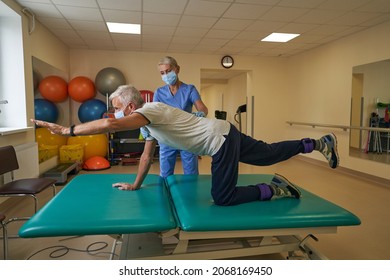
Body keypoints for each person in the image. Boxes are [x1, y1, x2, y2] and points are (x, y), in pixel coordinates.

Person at [31, 85, 339, 206]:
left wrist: (68, 129)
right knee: (269, 154)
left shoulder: (149, 110)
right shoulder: (147, 126)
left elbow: (111, 124)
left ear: (129, 104)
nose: (114, 112)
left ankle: (274, 191)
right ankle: (317, 143)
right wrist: (136, 185)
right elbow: (146, 157)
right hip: (223, 132)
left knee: (223, 197)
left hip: (218, 141)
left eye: (116, 106)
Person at [154, 56, 208, 178]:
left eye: (168, 71)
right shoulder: (159, 92)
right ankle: (165, 196)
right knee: (165, 174)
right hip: (167, 136)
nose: (166, 75)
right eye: (162, 73)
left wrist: (201, 113)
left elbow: (202, 108)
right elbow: (154, 112)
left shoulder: (189, 89)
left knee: (191, 173)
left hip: (186, 136)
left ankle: (192, 195)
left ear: (177, 69)